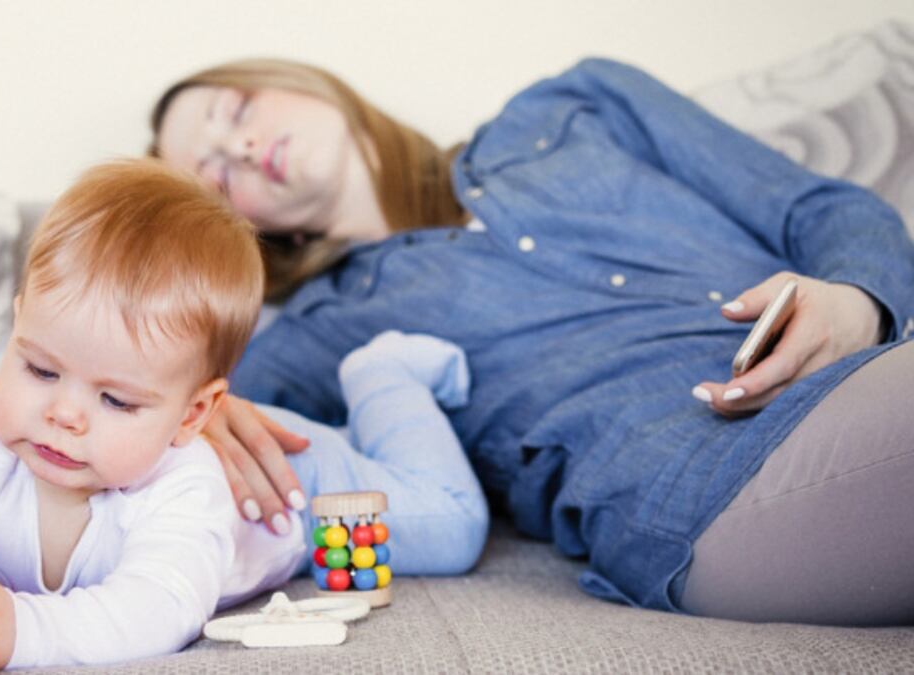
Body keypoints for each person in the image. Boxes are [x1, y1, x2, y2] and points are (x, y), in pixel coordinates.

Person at [151, 57, 914, 626]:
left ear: (299, 78)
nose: (242, 149)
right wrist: (188, 415)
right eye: (213, 174)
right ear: (243, 226)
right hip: (707, 487)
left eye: (235, 109)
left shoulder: (575, 105)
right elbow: (139, 411)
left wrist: (860, 299)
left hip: (872, 374)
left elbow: (819, 208)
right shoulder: (318, 331)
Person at [0, 160, 487, 670]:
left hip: (293, 481)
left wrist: (24, 631)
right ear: (14, 329)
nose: (63, 414)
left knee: (454, 524)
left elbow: (157, 610)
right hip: (230, 436)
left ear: (192, 414)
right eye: (40, 368)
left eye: (115, 399)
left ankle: (381, 374)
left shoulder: (179, 482)